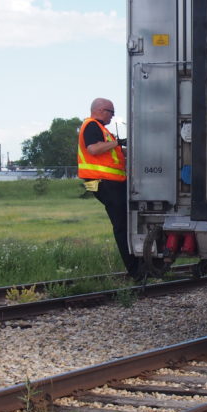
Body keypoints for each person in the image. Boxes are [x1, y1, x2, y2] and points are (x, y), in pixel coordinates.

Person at [77, 98, 142, 280]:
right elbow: (93, 149)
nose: (112, 117)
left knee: (125, 220)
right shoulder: (91, 126)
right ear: (100, 110)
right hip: (102, 182)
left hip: (104, 182)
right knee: (121, 224)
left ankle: (139, 266)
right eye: (111, 112)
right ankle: (135, 270)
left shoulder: (103, 130)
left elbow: (113, 155)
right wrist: (119, 142)